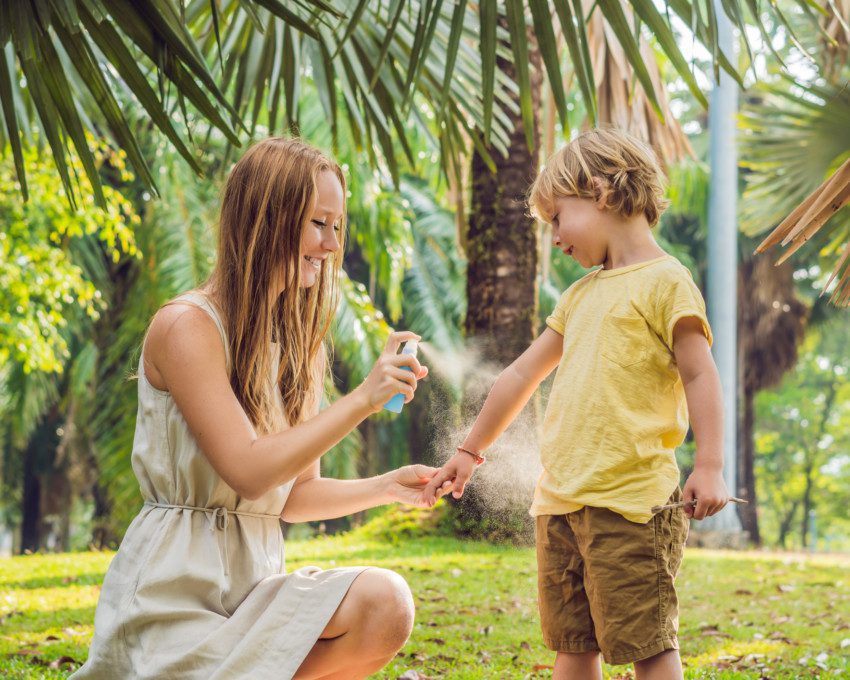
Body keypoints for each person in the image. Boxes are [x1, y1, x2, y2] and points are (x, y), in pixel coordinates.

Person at [73, 137, 449, 680]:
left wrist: (386, 486)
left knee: (386, 602)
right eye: (317, 223)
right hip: (171, 596)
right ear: (264, 219)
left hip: (254, 594)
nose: (329, 244)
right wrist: (363, 401)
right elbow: (248, 470)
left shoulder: (297, 344)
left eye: (337, 226)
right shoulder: (187, 327)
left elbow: (291, 497)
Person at [423, 127, 730, 680]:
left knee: (649, 644)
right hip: (560, 504)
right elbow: (519, 375)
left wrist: (708, 465)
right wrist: (469, 450)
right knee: (573, 644)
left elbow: (700, 373)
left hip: (631, 505)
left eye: (558, 218)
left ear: (602, 191)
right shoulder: (579, 295)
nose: (555, 238)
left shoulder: (666, 282)